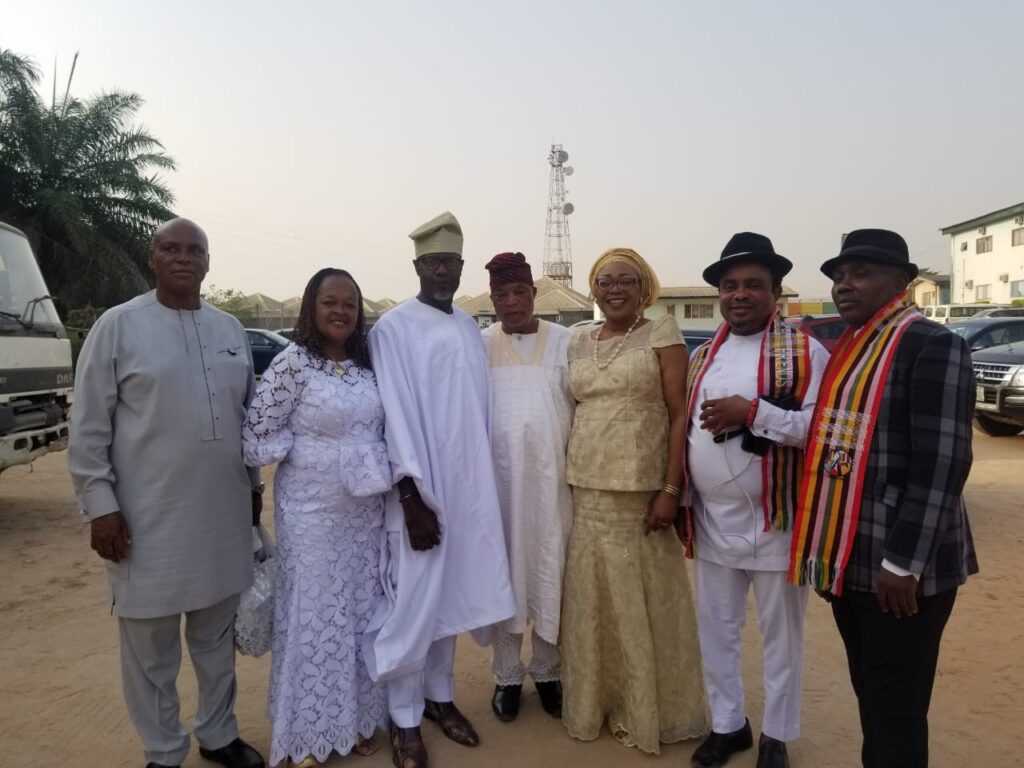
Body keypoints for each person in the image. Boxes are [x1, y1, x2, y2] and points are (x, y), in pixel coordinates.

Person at [68, 218, 265, 768]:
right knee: (150, 648)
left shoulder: (229, 329)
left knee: (215, 640)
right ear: (151, 258)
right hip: (144, 519)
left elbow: (248, 420)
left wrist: (253, 489)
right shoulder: (118, 326)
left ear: (208, 262)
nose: (183, 258)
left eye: (194, 250)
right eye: (170, 248)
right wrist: (100, 508)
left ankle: (219, 735)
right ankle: (163, 749)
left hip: (221, 517)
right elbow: (88, 427)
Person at [789, 229, 978, 768]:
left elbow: (943, 462)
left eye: (861, 273)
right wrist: (830, 560)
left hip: (904, 570)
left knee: (896, 710)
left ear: (901, 283)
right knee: (873, 696)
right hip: (853, 559)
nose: (844, 285)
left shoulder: (930, 343)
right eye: (838, 276)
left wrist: (903, 562)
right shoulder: (853, 347)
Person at [363, 211, 516, 768]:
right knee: (415, 603)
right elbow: (394, 414)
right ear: (417, 267)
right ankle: (404, 719)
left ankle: (440, 698)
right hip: (420, 493)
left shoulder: (468, 327)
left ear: (461, 265)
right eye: (433, 263)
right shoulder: (393, 329)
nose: (442, 271)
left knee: (449, 598)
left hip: (466, 492)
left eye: (451, 262)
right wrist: (411, 498)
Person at [683, 233, 828, 768]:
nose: (739, 294)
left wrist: (752, 413)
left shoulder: (807, 353)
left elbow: (822, 430)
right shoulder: (703, 355)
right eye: (729, 285)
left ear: (776, 292)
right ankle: (729, 726)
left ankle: (775, 736)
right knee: (716, 630)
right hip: (713, 520)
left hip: (777, 520)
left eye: (752, 284)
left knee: (780, 636)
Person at [561, 247, 709, 754]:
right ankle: (596, 702)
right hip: (586, 487)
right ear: (593, 289)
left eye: (626, 280)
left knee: (639, 602)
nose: (615, 289)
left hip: (639, 492)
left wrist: (671, 489)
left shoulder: (661, 334)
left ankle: (646, 709)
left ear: (645, 287)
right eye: (605, 281)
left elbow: (679, 413)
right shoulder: (579, 340)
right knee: (593, 600)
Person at [242, 268, 389, 767]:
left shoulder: (368, 363)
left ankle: (357, 722)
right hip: (312, 513)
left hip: (365, 513)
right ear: (312, 307)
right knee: (316, 614)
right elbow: (255, 438)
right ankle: (307, 733)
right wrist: (310, 447)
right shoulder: (293, 363)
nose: (340, 311)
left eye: (349, 303)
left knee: (361, 612)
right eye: (330, 302)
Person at [480, 252, 574, 722]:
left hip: (553, 486)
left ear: (535, 294)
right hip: (499, 489)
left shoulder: (566, 341)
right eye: (502, 295)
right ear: (492, 299)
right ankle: (506, 675)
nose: (512, 302)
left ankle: (547, 670)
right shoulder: (479, 344)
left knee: (550, 571)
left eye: (520, 292)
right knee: (507, 576)